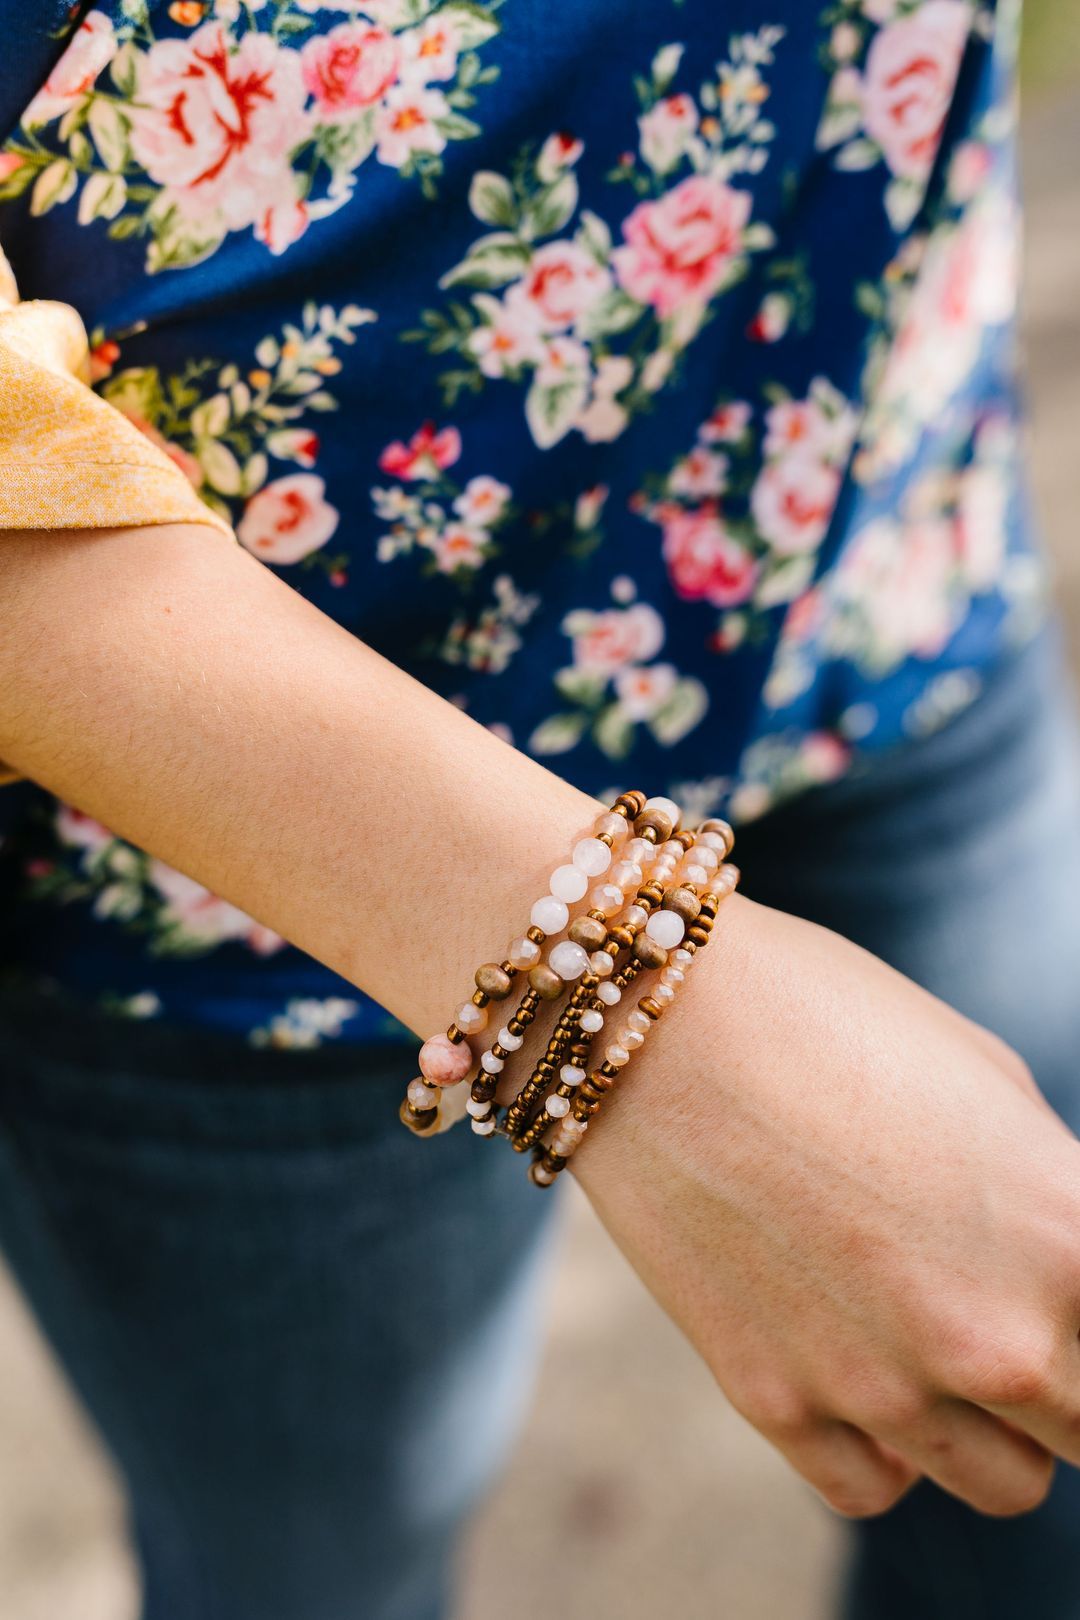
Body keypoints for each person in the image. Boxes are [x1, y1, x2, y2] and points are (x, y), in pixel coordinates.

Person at [1, 2, 1079, 1618]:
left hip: (885, 537)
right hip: (241, 857)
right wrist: (641, 1002)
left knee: (1025, 1451)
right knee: (314, 1571)